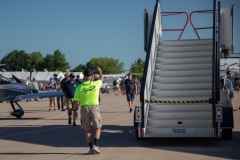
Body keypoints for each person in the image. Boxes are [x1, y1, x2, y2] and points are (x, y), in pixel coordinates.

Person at [72, 67, 104, 154]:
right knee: (98, 127)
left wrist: (74, 111)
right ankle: (95, 145)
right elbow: (102, 78)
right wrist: (100, 71)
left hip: (84, 108)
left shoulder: (79, 87)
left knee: (87, 130)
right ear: (92, 76)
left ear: (84, 76)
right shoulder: (96, 84)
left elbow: (75, 101)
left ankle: (90, 147)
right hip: (94, 108)